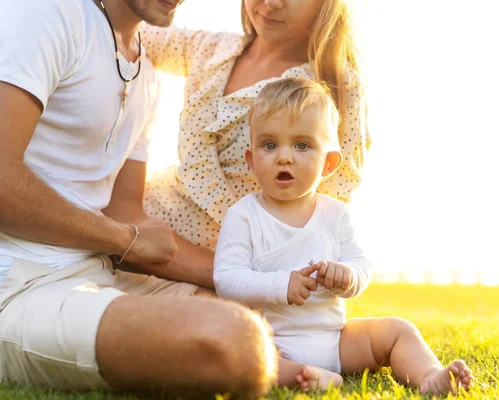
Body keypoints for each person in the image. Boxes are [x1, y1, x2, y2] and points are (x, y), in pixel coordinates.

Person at [0, 0, 277, 397]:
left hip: (98, 275)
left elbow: (125, 213)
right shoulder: (47, 14)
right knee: (233, 340)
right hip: (18, 285)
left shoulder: (147, 74)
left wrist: (242, 277)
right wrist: (122, 238)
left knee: (259, 309)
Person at [214, 78, 475, 394]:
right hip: (272, 340)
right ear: (252, 159)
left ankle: (430, 377)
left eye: (302, 145)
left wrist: (348, 276)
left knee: (396, 329)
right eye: (270, 145)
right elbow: (227, 280)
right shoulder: (244, 215)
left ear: (329, 163)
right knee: (238, 352)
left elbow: (361, 264)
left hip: (336, 339)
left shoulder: (335, 214)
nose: (284, 157)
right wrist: (282, 284)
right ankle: (305, 375)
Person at [140, 0, 369, 263]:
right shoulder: (211, 49)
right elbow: (126, 27)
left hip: (237, 268)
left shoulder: (337, 86)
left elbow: (336, 195)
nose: (271, 4)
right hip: (144, 227)